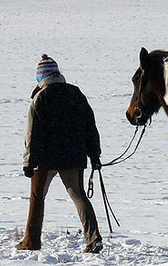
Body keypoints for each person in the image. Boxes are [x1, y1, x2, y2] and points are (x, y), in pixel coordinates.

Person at [18, 54, 103, 253]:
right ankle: (93, 239)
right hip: (74, 155)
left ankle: (31, 241)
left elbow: (32, 133)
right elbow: (90, 126)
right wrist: (94, 155)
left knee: (37, 196)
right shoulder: (76, 94)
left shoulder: (40, 98)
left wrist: (28, 162)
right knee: (78, 194)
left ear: (41, 78)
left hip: (45, 158)